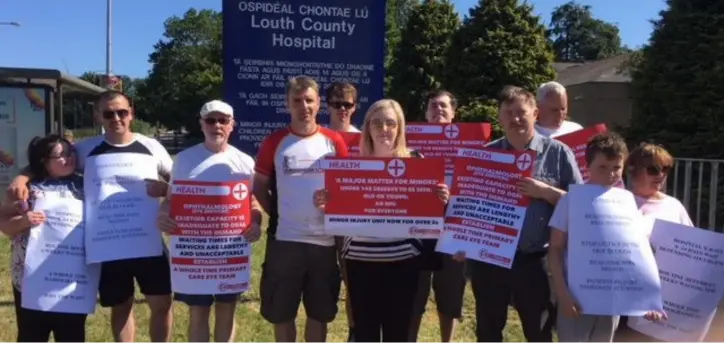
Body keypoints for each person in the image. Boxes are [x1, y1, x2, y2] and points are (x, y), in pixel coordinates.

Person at [6, 90, 174, 342]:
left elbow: (181, 186)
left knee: (162, 304)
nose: (116, 118)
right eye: (108, 113)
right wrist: (22, 176)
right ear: (98, 116)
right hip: (108, 247)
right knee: (121, 306)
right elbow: (49, 157)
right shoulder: (85, 149)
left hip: (148, 243)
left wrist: (166, 192)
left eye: (122, 112)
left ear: (131, 113)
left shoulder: (152, 147)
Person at [453, 86, 583, 342]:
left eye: (521, 112)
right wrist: (461, 241)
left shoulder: (558, 154)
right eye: (508, 113)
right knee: (488, 332)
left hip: (536, 260)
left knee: (539, 332)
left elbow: (580, 206)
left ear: (535, 113)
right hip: (490, 260)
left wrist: (546, 192)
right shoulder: (485, 155)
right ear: (499, 118)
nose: (515, 119)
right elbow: (469, 206)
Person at [314, 99, 450, 342]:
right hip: (360, 261)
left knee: (397, 333)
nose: (384, 129)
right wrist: (326, 201)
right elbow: (338, 212)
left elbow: (432, 212)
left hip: (404, 261)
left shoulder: (417, 162)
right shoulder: (350, 165)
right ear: (367, 128)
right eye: (377, 123)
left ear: (400, 128)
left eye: (390, 123)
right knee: (365, 332)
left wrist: (442, 198)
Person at [156, 100, 263, 342]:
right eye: (210, 120)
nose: (217, 125)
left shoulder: (245, 162)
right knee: (198, 312)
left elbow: (253, 204)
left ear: (232, 125)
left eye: (223, 120)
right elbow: (171, 200)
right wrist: (163, 215)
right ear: (201, 124)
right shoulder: (184, 160)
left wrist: (255, 223)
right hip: (195, 255)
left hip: (229, 253)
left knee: (227, 310)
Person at [254, 76, 349, 342]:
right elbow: (259, 185)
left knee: (319, 314)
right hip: (286, 242)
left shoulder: (334, 142)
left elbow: (345, 188)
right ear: (287, 104)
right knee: (282, 313)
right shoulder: (275, 142)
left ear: (319, 103)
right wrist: (276, 212)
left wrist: (334, 201)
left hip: (325, 242)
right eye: (297, 100)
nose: (303, 106)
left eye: (309, 100)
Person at [548, 133, 666, 342]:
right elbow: (555, 248)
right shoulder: (571, 199)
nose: (611, 174)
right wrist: (562, 294)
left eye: (616, 168)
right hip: (577, 299)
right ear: (587, 165)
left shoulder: (627, 202)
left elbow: (636, 254)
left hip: (612, 301)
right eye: (603, 167)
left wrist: (645, 299)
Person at [1, 134, 87, 342]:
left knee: (72, 335)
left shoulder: (87, 185)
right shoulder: (25, 190)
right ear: (44, 161)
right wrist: (24, 221)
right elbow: (4, 224)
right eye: (61, 155)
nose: (69, 158)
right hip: (32, 280)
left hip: (72, 280)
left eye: (70, 153)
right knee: (32, 335)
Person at [614, 142, 692, 342]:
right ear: (633, 171)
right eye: (653, 169)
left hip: (665, 299)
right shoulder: (617, 202)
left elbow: (690, 251)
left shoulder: (674, 206)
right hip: (623, 295)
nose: (660, 175)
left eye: (665, 169)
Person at [409, 90, 466, 343]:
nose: (438, 110)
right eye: (433, 106)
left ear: (454, 113)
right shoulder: (410, 144)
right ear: (426, 113)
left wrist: (452, 195)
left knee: (450, 293)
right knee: (415, 291)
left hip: (454, 226)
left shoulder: (468, 145)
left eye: (444, 106)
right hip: (418, 228)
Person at [325, 81, 360, 341]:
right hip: (318, 222)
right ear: (327, 106)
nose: (342, 109)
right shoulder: (318, 138)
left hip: (351, 221)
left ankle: (354, 332)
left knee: (354, 283)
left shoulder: (363, 139)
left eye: (347, 104)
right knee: (322, 287)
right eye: (336, 104)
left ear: (355, 107)